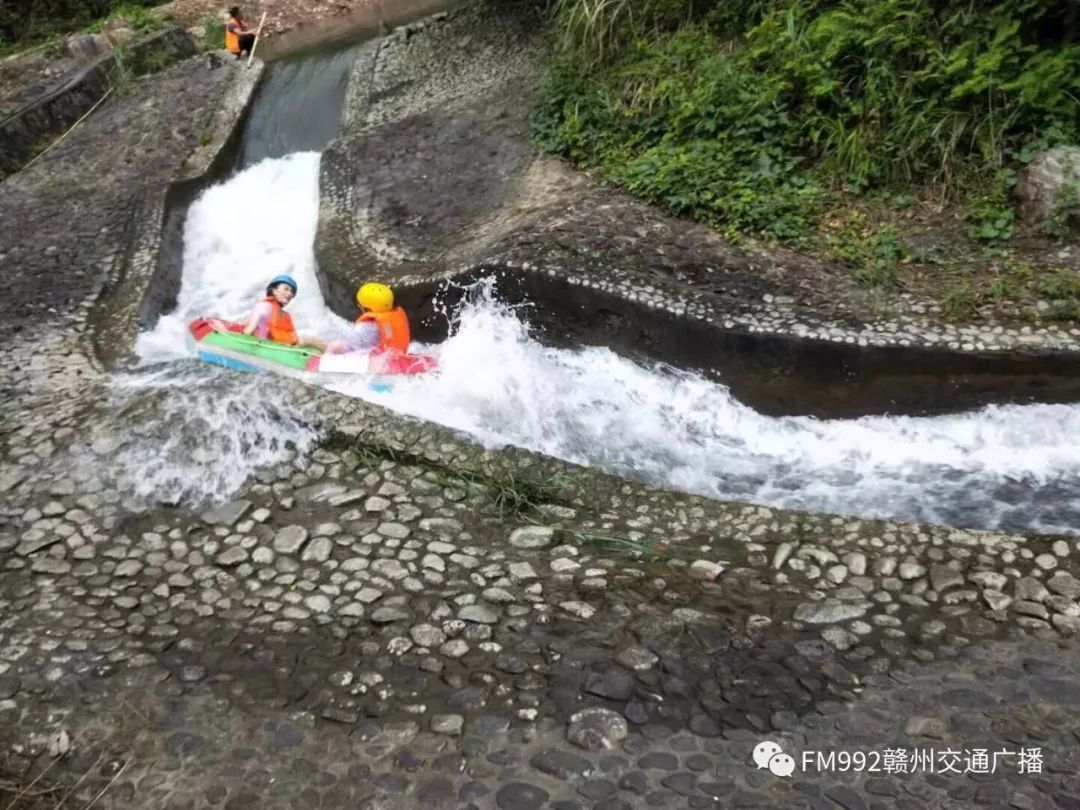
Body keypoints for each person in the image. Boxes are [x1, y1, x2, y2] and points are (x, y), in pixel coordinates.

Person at [243, 275, 327, 350]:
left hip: (282, 346)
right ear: (274, 290)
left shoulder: (285, 314)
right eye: (286, 289)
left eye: (292, 292)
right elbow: (250, 329)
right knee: (308, 339)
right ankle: (330, 353)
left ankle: (330, 353)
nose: (289, 294)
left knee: (310, 341)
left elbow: (292, 337)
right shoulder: (264, 306)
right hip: (268, 346)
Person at [326, 282, 411, 355]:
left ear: (367, 309)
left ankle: (312, 341)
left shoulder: (365, 327)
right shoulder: (393, 319)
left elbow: (350, 344)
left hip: (372, 361)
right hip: (395, 356)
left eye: (360, 305)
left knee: (335, 346)